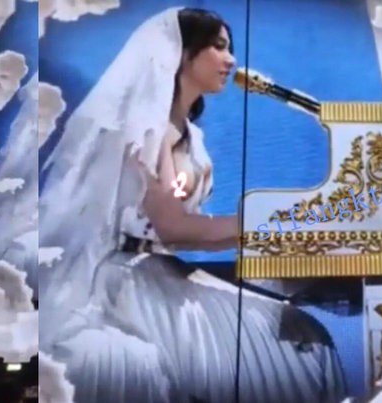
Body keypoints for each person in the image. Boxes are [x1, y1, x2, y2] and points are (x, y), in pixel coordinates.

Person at [38, 7, 347, 403]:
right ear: (183, 54)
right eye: (219, 47)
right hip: (131, 283)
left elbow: (190, 231)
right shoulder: (147, 128)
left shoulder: (190, 136)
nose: (231, 60)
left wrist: (276, 233)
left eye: (230, 49)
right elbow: (173, 227)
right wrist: (265, 221)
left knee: (302, 331)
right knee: (298, 340)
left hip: (163, 272)